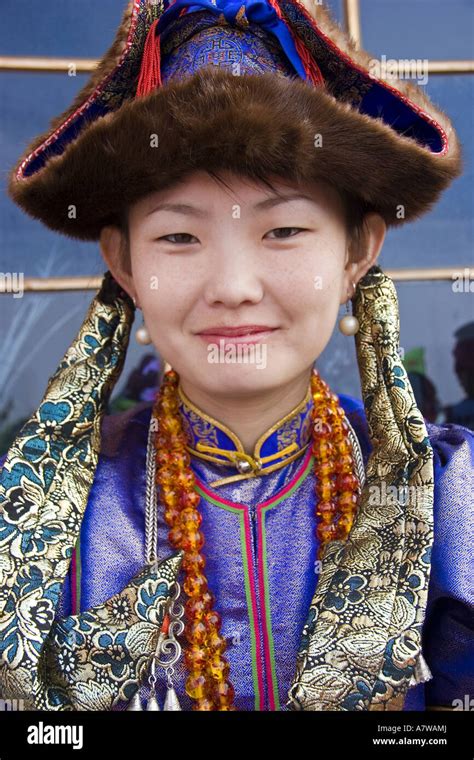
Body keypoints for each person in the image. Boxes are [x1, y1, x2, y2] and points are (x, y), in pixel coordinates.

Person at [0, 0, 472, 712]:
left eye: (283, 230)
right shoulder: (40, 517)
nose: (232, 288)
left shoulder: (450, 499)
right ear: (122, 263)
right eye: (178, 239)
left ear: (356, 250)